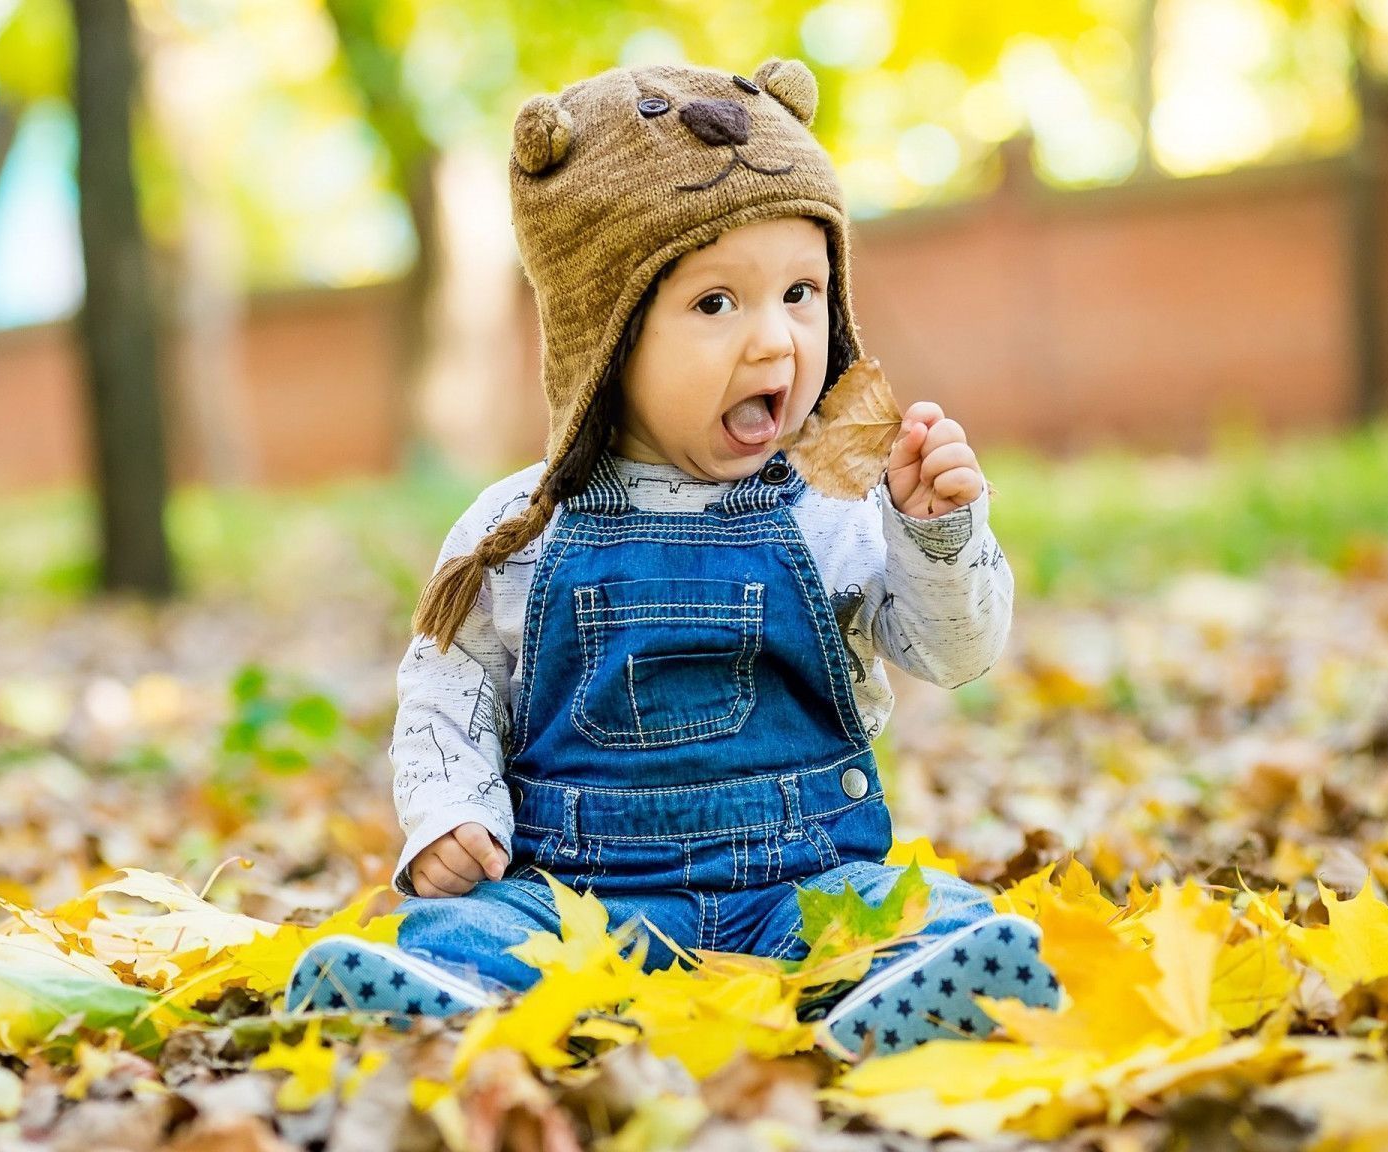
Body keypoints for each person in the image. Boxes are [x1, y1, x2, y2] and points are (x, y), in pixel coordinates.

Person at [288, 57, 1057, 1059]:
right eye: (714, 305)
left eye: (801, 292)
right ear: (607, 333)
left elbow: (951, 654)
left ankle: (909, 986)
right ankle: (442, 995)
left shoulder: (838, 497)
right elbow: (451, 683)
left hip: (803, 881)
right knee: (472, 929)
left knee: (902, 910)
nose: (776, 341)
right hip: (580, 906)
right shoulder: (522, 523)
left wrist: (937, 533)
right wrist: (447, 814)